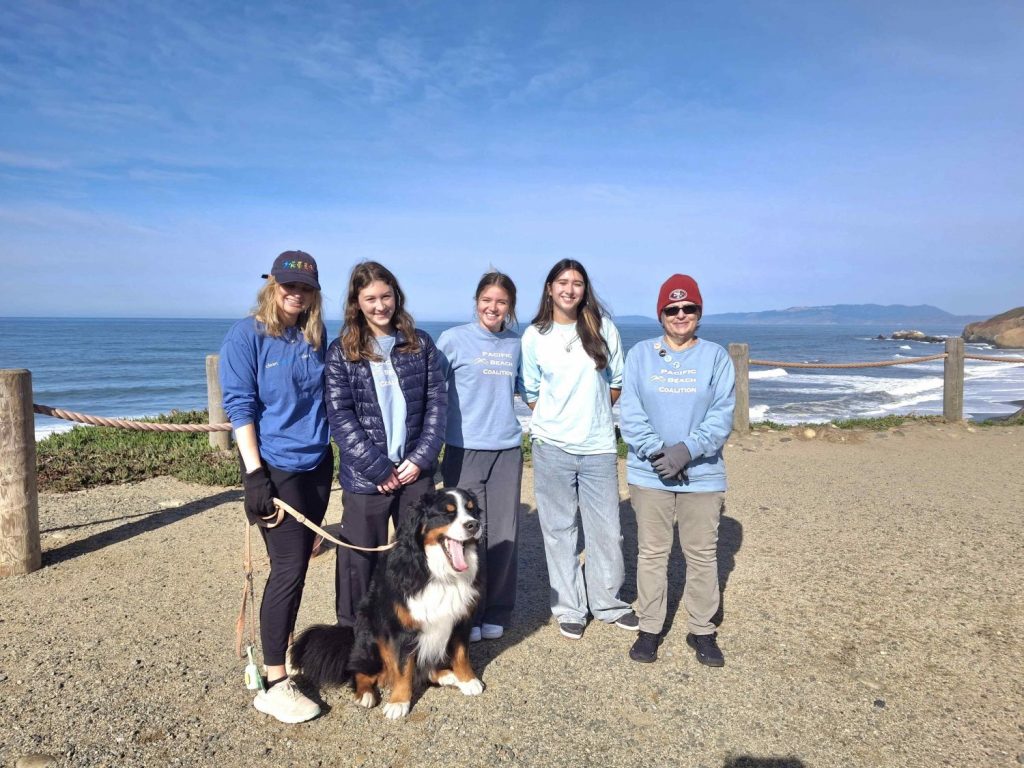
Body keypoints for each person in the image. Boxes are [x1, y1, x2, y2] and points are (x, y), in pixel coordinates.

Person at [219, 250, 331, 723]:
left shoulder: (318, 335)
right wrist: (253, 474)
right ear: (271, 284)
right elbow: (240, 405)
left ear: (313, 293)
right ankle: (274, 681)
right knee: (286, 568)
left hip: (319, 465)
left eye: (303, 287)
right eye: (287, 285)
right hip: (275, 468)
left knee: (300, 564)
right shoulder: (247, 335)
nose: (294, 293)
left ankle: (279, 647)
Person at [618, 274, 735, 666]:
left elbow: (722, 415)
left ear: (698, 312)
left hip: (702, 475)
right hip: (650, 474)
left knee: (702, 554)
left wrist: (686, 451)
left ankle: (702, 630)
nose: (680, 314)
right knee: (652, 552)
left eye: (688, 308)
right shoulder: (640, 355)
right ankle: (650, 627)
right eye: (672, 308)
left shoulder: (716, 357)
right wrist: (659, 453)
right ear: (661, 314)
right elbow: (630, 412)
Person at [520, 259, 638, 640]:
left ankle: (607, 602)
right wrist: (558, 421)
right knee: (559, 530)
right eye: (562, 282)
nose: (570, 289)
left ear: (585, 290)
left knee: (607, 531)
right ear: (550, 288)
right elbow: (532, 392)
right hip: (551, 447)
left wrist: (592, 415)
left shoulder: (604, 329)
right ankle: (569, 606)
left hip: (599, 447)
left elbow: (616, 382)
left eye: (577, 283)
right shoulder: (535, 335)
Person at [325, 261, 447, 628]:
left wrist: (421, 457)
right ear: (356, 303)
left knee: (419, 557)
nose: (380, 306)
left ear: (396, 296)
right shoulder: (341, 351)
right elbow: (340, 416)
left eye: (386, 296)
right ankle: (355, 634)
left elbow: (437, 403)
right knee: (358, 560)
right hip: (367, 478)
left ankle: (415, 633)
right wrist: (378, 467)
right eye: (371, 299)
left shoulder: (420, 343)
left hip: (415, 473)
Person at [436, 272, 524, 643]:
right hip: (462, 449)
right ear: (476, 302)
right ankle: (467, 613)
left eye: (501, 302)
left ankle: (497, 609)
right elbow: (431, 389)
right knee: (463, 535)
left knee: (503, 534)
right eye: (487, 300)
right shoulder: (453, 340)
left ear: (510, 307)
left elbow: (531, 388)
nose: (493, 307)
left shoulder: (518, 344)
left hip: (506, 449)